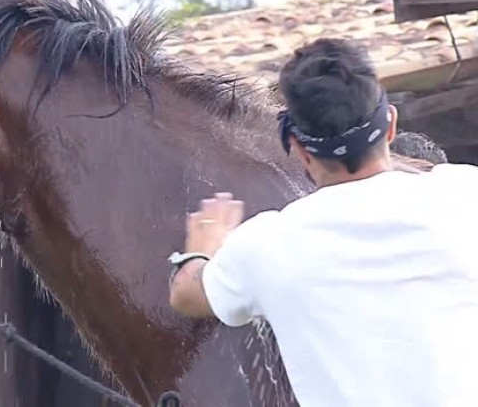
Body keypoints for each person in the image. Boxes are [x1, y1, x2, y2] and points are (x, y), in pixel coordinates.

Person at [167, 38, 478, 407]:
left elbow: (186, 294)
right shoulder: (464, 194)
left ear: (298, 146)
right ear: (391, 124)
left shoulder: (267, 245)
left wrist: (203, 247)